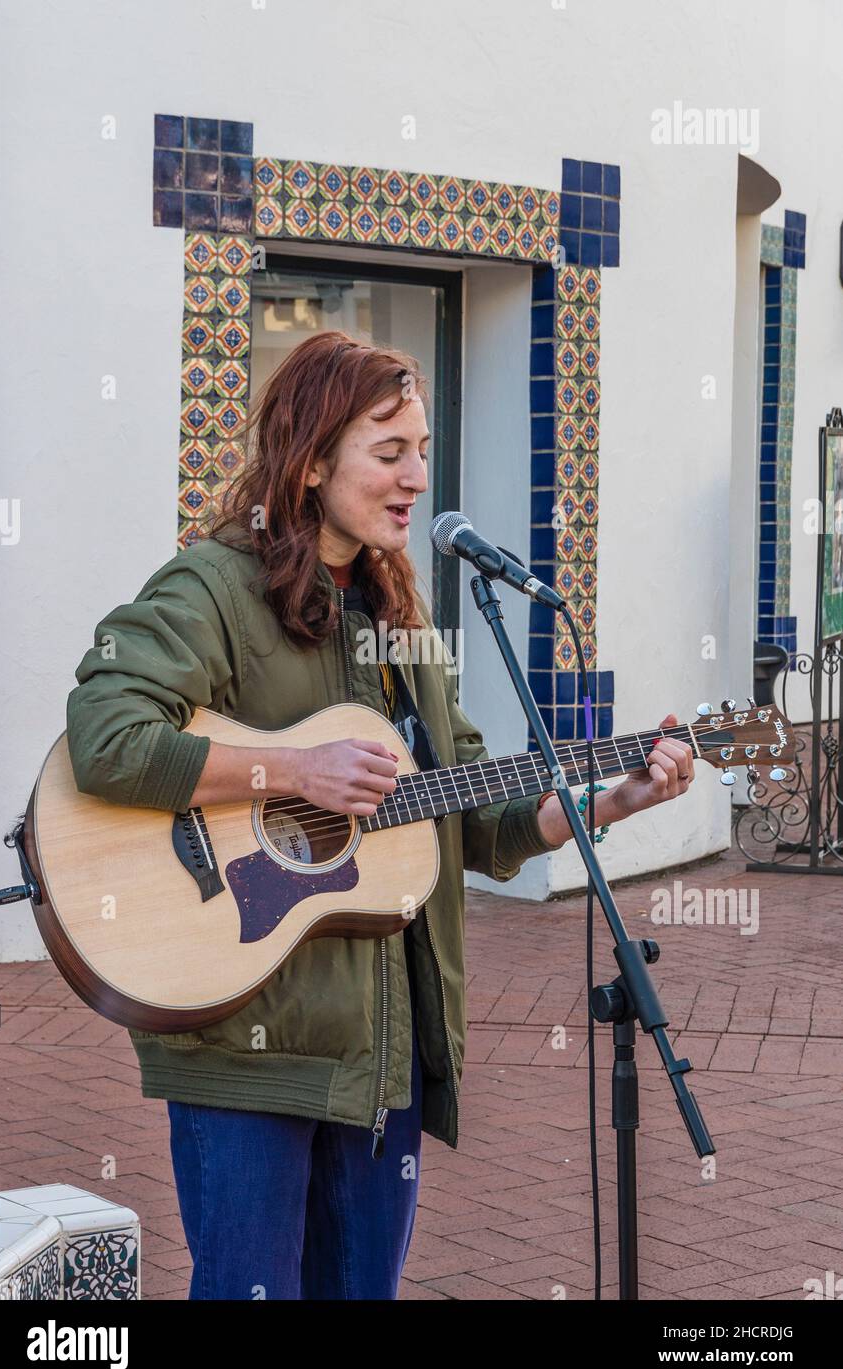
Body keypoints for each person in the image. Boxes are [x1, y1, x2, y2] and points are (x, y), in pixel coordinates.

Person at [66, 330, 695, 1300]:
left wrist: (615, 797)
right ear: (312, 459)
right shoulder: (214, 584)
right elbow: (106, 730)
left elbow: (476, 817)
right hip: (246, 1044)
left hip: (380, 1057)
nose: (414, 477)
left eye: (422, 454)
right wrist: (289, 770)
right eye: (387, 450)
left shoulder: (399, 618)